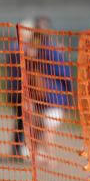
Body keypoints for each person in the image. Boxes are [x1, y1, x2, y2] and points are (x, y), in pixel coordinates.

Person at [24, 15, 72, 168]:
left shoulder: (51, 51)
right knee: (39, 129)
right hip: (42, 98)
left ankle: (51, 158)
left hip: (54, 99)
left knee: (46, 130)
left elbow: (65, 76)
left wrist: (70, 97)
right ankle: (35, 154)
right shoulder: (37, 50)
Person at [8, 18, 35, 159]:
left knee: (21, 120)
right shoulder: (18, 47)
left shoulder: (16, 46)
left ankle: (18, 148)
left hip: (16, 89)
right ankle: (20, 148)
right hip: (19, 90)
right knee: (24, 120)